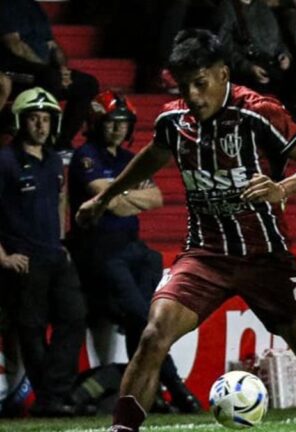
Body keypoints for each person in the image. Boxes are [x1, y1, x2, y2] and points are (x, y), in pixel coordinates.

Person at [76, 29, 296, 432]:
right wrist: (104, 198)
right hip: (205, 255)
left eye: (200, 83)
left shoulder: (258, 112)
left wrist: (282, 188)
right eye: (183, 85)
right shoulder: (174, 120)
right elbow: (153, 154)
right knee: (154, 334)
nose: (192, 95)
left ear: (223, 74)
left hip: (266, 256)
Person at [67, 90, 201, 414]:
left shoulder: (128, 160)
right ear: (97, 123)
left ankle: (148, 393)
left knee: (140, 320)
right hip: (102, 252)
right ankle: (176, 389)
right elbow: (101, 197)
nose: (117, 129)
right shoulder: (85, 155)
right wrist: (119, 197)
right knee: (143, 319)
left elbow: (155, 198)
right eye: (112, 122)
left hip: (135, 251)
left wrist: (116, 199)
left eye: (123, 123)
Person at [0, 87, 87, 416]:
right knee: (31, 329)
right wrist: (3, 257)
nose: (40, 125)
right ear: (21, 122)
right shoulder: (5, 160)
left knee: (74, 318)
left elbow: (59, 202)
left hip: (55, 255)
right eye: (34, 119)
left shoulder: (53, 160)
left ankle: (55, 392)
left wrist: (62, 242)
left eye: (46, 119)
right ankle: (52, 401)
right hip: (23, 261)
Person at [0, 0, 100, 151]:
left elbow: (52, 45)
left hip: (45, 70)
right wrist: (50, 70)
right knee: (50, 78)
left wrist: (63, 69)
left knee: (88, 83)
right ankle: (42, 142)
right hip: (13, 69)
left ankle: (62, 144)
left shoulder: (35, 7)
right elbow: (15, 45)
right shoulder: (6, 6)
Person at [215, 0, 293, 98]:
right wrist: (248, 67)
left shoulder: (262, 5)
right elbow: (224, 46)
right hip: (249, 77)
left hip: (275, 70)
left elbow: (277, 38)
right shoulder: (228, 7)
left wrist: (284, 54)